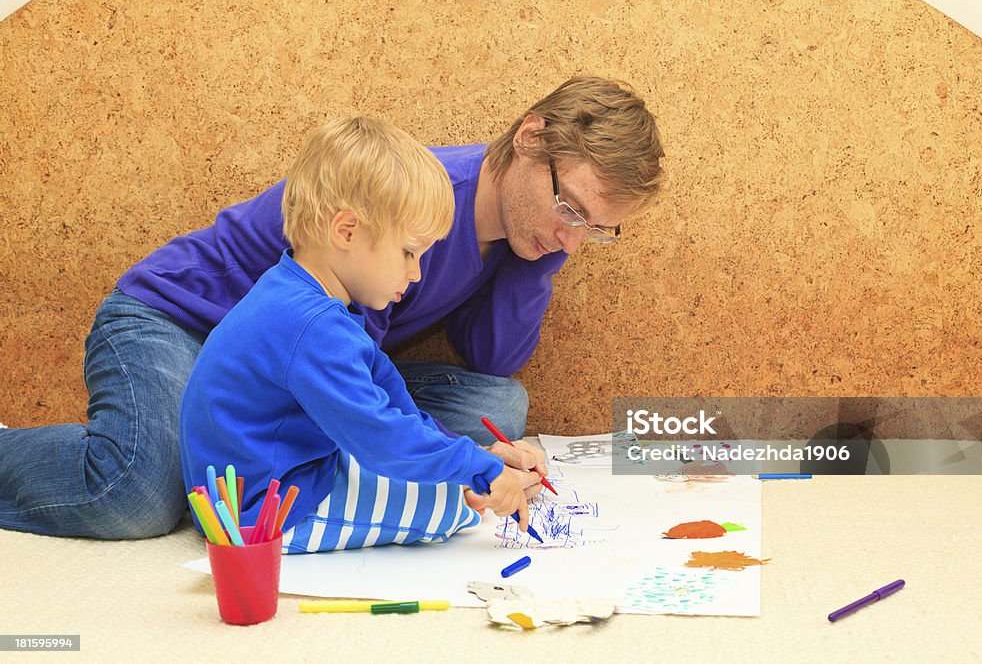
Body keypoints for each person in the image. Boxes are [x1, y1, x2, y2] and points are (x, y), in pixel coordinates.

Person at [0, 76, 664, 540]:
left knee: (495, 405)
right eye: (570, 206)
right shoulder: (396, 207)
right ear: (529, 139)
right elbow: (346, 367)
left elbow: (490, 358)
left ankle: (247, 456)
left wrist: (545, 248)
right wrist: (467, 465)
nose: (574, 235)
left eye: (595, 227)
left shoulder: (519, 236)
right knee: (136, 495)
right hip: (175, 323)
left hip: (302, 365)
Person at [181, 116, 538, 551]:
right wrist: (476, 471)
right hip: (262, 511)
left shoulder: (306, 297)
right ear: (346, 231)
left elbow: (392, 404)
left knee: (440, 481)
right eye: (409, 252)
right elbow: (379, 438)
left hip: (283, 473)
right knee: (449, 511)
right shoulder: (310, 324)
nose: (416, 272)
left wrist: (474, 459)